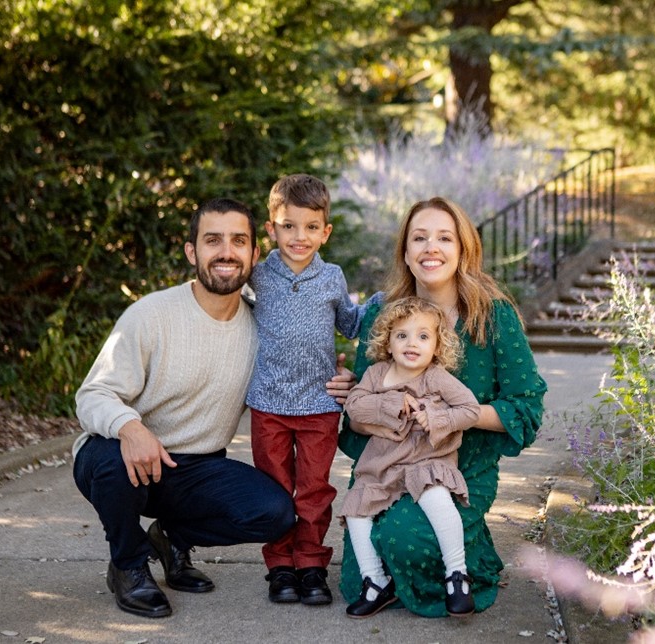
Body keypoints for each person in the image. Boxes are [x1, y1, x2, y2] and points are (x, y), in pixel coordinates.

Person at [72, 198, 355, 619]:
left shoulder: (262, 327)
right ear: (192, 252)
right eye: (213, 240)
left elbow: (301, 356)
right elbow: (91, 395)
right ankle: (129, 566)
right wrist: (130, 428)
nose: (226, 251)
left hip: (197, 468)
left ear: (255, 253)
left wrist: (337, 378)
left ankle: (171, 539)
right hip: (127, 458)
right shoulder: (151, 314)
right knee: (111, 460)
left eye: (238, 241)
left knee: (275, 513)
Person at [338, 196, 547, 618]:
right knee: (362, 549)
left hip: (460, 468)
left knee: (403, 538)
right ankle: (399, 574)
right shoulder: (383, 314)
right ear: (406, 253)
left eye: (444, 238)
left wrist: (451, 418)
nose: (431, 247)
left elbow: (525, 408)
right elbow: (356, 421)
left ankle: (469, 565)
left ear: (463, 248)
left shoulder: (493, 316)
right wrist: (367, 402)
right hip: (386, 465)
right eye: (420, 238)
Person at [246, 174, 367, 606]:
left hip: (319, 404)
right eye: (289, 226)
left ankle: (311, 564)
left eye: (311, 227)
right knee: (275, 488)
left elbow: (352, 325)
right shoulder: (257, 277)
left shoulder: (332, 277)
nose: (300, 236)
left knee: (314, 488)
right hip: (268, 404)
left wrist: (386, 299)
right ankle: (280, 565)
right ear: (271, 228)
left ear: (325, 232)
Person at [339, 296, 480, 619]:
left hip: (426, 461)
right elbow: (356, 406)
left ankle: (456, 576)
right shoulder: (377, 374)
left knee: (437, 498)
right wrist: (391, 403)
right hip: (382, 466)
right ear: (387, 342)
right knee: (358, 511)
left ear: (437, 346)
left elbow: (470, 409)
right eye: (401, 335)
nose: (411, 343)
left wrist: (437, 418)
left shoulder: (436, 376)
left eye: (423, 336)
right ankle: (375, 582)